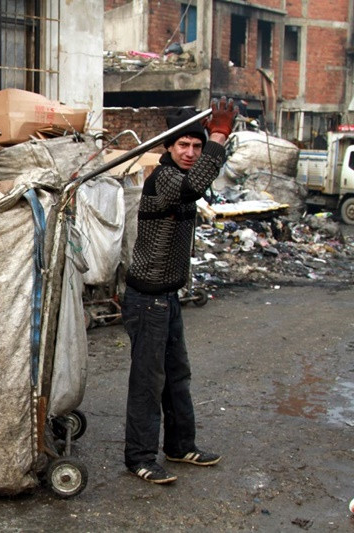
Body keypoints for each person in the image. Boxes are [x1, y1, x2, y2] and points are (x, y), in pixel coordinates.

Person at [122, 97, 238, 484]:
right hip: (147, 299)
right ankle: (139, 457)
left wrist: (215, 141)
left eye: (197, 145)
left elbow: (200, 183)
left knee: (176, 375)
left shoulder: (183, 174)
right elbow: (194, 187)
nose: (190, 152)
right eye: (183, 145)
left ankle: (179, 445)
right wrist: (218, 135)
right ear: (169, 149)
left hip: (167, 297)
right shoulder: (165, 177)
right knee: (147, 382)